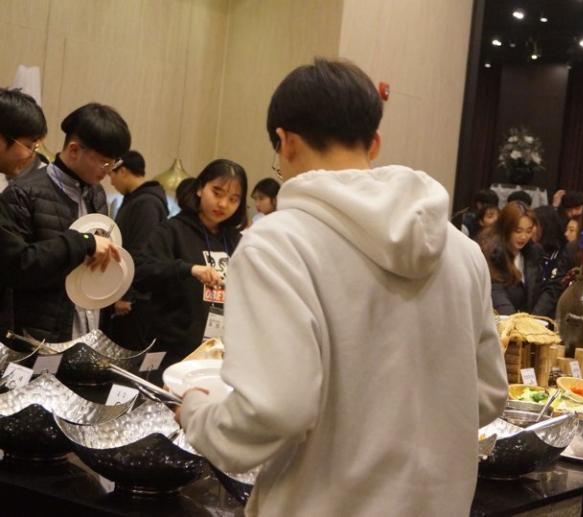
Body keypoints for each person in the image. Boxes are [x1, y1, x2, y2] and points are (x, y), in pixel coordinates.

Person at [176, 59, 507, 516]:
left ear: (286, 141)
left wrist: (198, 415)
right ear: (374, 143)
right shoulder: (462, 251)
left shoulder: (276, 243)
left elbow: (274, 410)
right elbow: (487, 394)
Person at [3, 102, 130, 342]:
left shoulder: (97, 194)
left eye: (114, 163)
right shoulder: (23, 193)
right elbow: (19, 268)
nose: (108, 171)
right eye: (104, 162)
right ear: (73, 150)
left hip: (89, 330)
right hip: (39, 338)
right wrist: (83, 243)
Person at [132, 159, 246, 370]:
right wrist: (188, 269)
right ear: (200, 188)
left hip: (218, 352)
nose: (223, 204)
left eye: (233, 199)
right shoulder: (172, 230)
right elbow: (140, 271)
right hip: (172, 351)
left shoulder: (237, 241)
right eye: (217, 192)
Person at [101, 150, 168, 348]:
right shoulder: (135, 200)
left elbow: (141, 251)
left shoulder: (147, 203)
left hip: (135, 302)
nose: (111, 182)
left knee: (128, 353)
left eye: (112, 175)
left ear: (123, 171)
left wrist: (127, 295)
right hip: (127, 295)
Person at [480, 201, 555, 317]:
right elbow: (496, 293)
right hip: (501, 320)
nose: (524, 237)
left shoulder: (534, 252)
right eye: (518, 231)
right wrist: (516, 322)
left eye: (528, 231)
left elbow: (540, 290)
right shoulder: (491, 254)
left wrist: (533, 318)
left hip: (527, 320)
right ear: (505, 228)